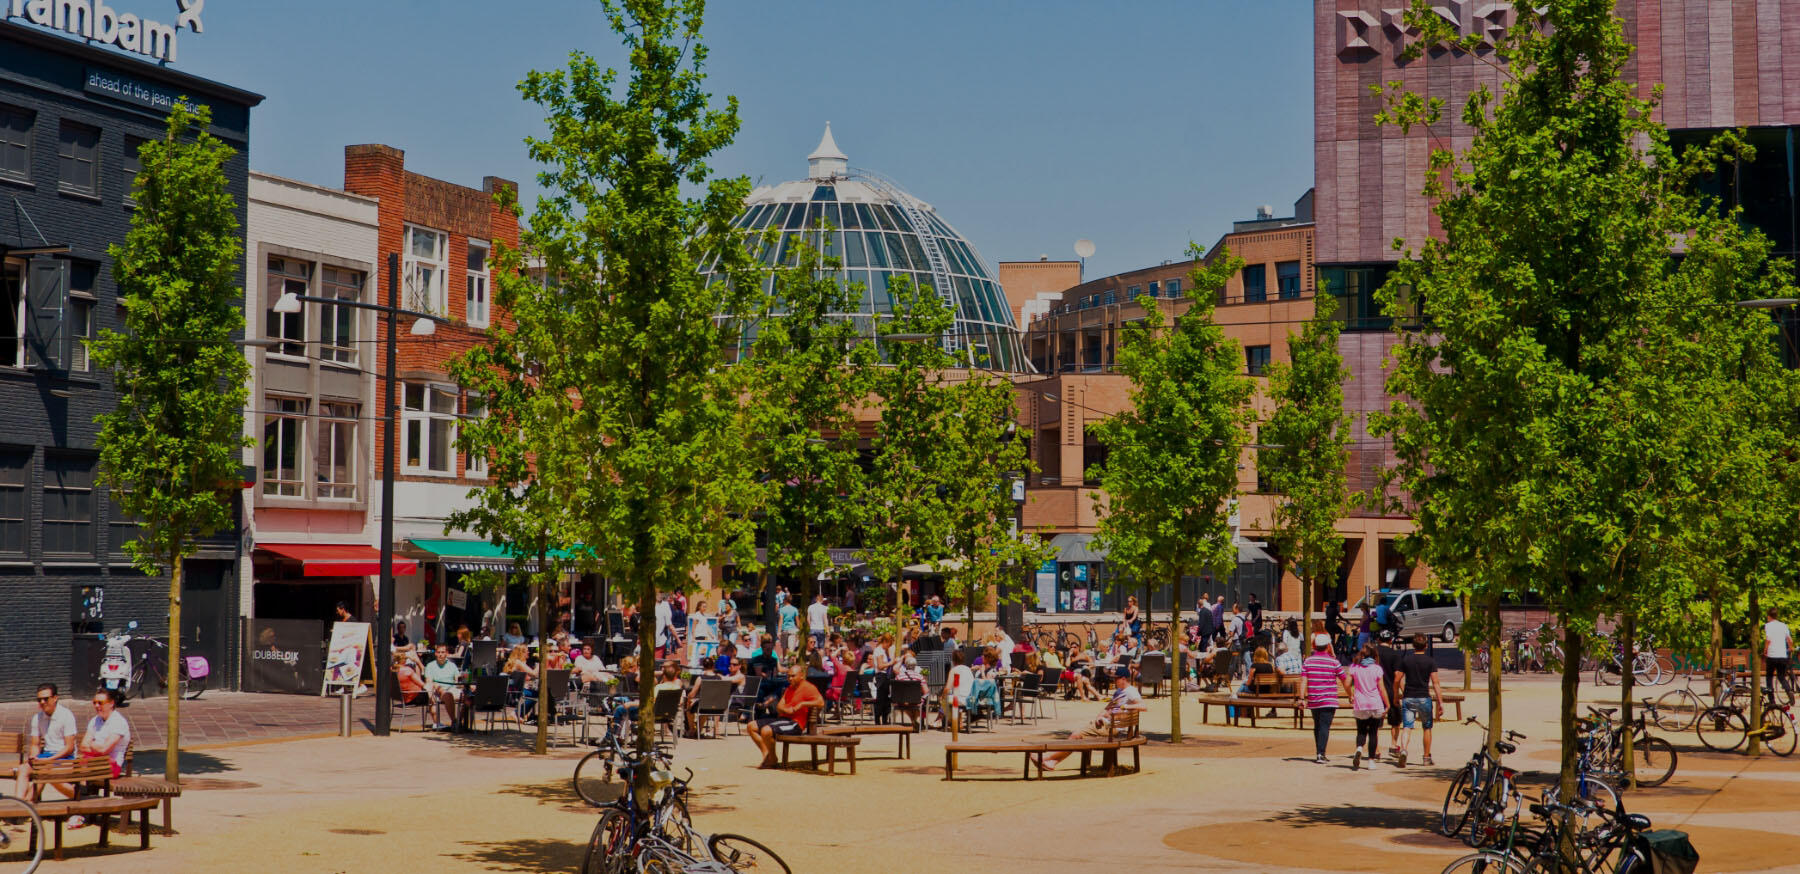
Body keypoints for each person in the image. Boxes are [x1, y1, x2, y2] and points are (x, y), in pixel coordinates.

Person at [1038, 667, 1147, 771]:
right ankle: (1052, 762)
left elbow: (1143, 707)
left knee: (1076, 735)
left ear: (1123, 679)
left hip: (1112, 728)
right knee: (1077, 736)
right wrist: (1099, 716)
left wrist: (1126, 707)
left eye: (1116, 678)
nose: (1113, 680)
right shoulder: (1119, 691)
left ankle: (1046, 758)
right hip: (1107, 724)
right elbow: (1107, 708)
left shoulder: (1130, 691)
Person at [748, 663, 824, 768]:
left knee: (766, 731)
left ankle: (772, 759)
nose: (790, 678)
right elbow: (779, 706)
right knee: (751, 726)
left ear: (801, 676)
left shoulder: (808, 688)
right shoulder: (789, 688)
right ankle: (768, 756)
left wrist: (802, 704)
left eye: (793, 676)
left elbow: (821, 703)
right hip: (784, 719)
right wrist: (787, 710)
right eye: (788, 676)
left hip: (796, 723)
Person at [13, 683, 76, 800]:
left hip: (65, 758)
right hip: (46, 757)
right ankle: (19, 803)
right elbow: (35, 744)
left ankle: (26, 805)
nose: (42, 702)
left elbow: (69, 748)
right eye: (39, 699)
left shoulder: (66, 715)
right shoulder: (37, 718)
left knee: (44, 769)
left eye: (45, 699)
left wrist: (48, 760)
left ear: (55, 698)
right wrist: (33, 756)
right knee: (23, 769)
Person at [1394, 633, 1443, 767]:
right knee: (1427, 728)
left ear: (1413, 645)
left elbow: (1397, 679)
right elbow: (1436, 683)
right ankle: (1426, 757)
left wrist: (1396, 694)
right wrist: (1440, 701)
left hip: (1408, 697)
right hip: (1424, 697)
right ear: (1426, 646)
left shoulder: (1406, 660)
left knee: (1407, 727)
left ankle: (1403, 750)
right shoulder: (1430, 661)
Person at [1345, 642, 1390, 770]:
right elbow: (1381, 689)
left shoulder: (1354, 667)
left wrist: (1350, 694)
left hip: (1360, 703)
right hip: (1375, 703)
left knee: (1361, 730)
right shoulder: (1377, 668)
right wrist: (1387, 704)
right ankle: (1371, 760)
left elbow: (1347, 683)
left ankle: (1359, 748)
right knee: (1373, 732)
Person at [1302, 632, 1344, 764]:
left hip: (1314, 698)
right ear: (1327, 646)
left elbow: (1303, 680)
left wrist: (1301, 697)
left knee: (1318, 725)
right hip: (1329, 698)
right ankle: (1321, 753)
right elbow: (1344, 678)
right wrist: (1351, 693)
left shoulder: (1308, 661)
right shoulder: (1334, 662)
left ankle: (1319, 751)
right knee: (1324, 726)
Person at [1375, 629, 1405, 760]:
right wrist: (1404, 692)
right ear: (1391, 640)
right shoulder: (1395, 655)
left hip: (1376, 692)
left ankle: (1375, 749)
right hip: (1391, 691)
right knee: (1395, 721)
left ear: (1378, 640)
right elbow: (1398, 676)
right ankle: (1393, 745)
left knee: (1375, 723)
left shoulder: (1373, 653)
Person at [424, 644, 464, 731]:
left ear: (446, 653)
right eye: (438, 652)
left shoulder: (452, 665)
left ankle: (460, 722)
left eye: (443, 652)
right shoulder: (430, 666)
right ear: (435, 654)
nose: (440, 654)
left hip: (452, 688)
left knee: (467, 697)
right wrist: (438, 687)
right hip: (438, 691)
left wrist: (466, 684)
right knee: (448, 695)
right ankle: (454, 721)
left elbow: (458, 680)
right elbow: (429, 681)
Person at [1766, 607, 1794, 701]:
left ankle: (1771, 700)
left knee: (1769, 677)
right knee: (1781, 676)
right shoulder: (1783, 625)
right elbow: (1790, 640)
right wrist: (1790, 648)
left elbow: (1768, 640)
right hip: (1782, 655)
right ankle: (1788, 690)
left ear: (1769, 616)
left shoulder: (1768, 625)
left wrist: (1765, 650)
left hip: (1772, 655)